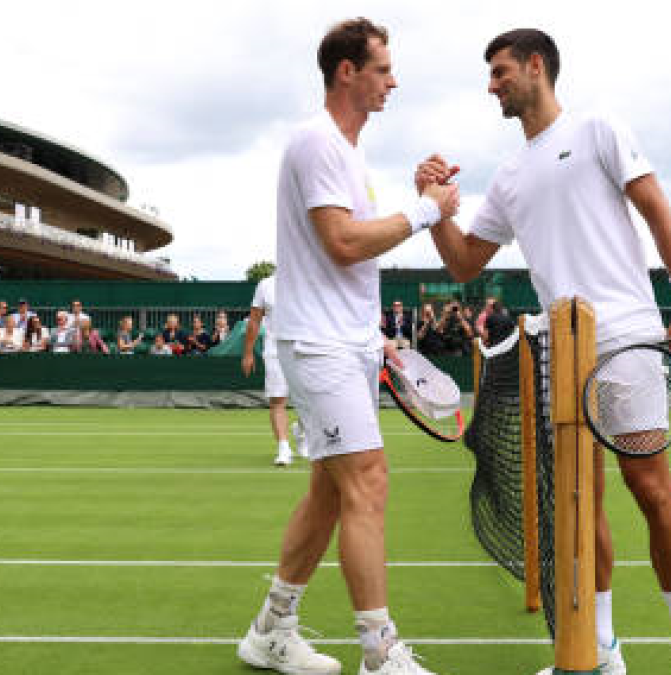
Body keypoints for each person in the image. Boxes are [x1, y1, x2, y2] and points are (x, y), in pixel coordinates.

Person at [416, 28, 671, 674]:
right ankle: (599, 648)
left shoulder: (599, 128)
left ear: (535, 66)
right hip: (561, 350)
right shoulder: (507, 177)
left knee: (651, 487)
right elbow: (466, 262)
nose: (491, 84)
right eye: (490, 75)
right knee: (581, 500)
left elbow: (658, 209)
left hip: (628, 337)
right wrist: (434, 210)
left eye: (500, 72)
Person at [235, 18, 458, 675]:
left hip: (348, 344)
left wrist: (378, 338)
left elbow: (345, 266)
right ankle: (380, 650)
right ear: (347, 73)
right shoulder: (315, 143)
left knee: (331, 494)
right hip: (318, 348)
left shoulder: (348, 155)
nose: (393, 80)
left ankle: (270, 628)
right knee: (369, 480)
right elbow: (341, 241)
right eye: (383, 68)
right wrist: (426, 210)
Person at [243, 275, 301, 466]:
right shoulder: (265, 285)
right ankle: (284, 448)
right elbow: (254, 321)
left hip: (309, 349)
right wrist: (248, 353)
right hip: (275, 351)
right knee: (277, 400)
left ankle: (301, 431)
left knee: (315, 401)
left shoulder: (310, 279)